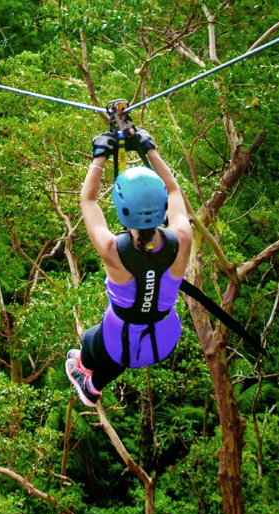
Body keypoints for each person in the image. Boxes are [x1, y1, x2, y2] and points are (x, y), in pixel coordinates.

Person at [66, 129, 194, 407]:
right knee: (125, 351)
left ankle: (83, 372)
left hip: (119, 338)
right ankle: (93, 386)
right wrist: (148, 149)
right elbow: (173, 189)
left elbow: (88, 200)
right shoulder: (182, 238)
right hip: (163, 337)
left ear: (122, 209)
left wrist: (99, 156)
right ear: (162, 210)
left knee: (92, 341)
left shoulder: (114, 250)